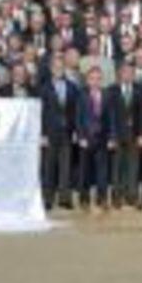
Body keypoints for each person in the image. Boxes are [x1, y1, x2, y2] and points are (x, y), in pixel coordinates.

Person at [40, 58, 78, 210]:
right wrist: (42, 134)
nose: (58, 70)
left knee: (65, 166)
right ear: (51, 69)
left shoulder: (72, 87)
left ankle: (64, 197)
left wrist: (75, 130)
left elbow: (75, 111)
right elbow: (41, 113)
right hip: (49, 133)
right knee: (49, 166)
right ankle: (47, 198)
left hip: (67, 132)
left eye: (61, 67)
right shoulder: (44, 88)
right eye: (56, 67)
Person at [75, 67, 113, 212]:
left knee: (102, 171)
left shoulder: (106, 94)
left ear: (101, 80)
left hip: (102, 138)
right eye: (92, 78)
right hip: (86, 138)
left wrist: (112, 137)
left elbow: (111, 117)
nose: (95, 81)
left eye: (98, 78)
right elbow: (78, 117)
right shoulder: (82, 95)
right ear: (87, 80)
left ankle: (102, 198)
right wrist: (80, 136)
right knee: (85, 171)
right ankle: (84, 198)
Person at [107, 63, 142, 209]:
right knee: (117, 166)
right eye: (125, 72)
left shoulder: (140, 90)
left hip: (134, 134)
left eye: (130, 73)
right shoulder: (111, 91)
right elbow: (109, 115)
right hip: (117, 134)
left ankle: (132, 194)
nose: (127, 75)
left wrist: (141, 134)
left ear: (133, 75)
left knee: (133, 166)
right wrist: (111, 136)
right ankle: (117, 195)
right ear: (119, 74)